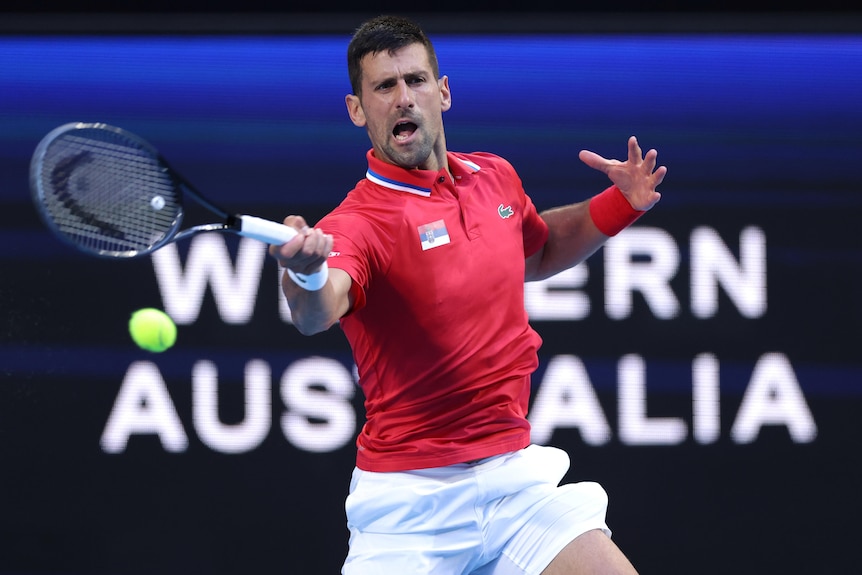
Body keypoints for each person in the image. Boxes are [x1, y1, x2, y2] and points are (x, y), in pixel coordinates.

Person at [269, 14, 666, 575]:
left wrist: (618, 205)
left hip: (515, 482)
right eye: (384, 87)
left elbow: (539, 250)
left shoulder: (495, 177)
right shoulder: (358, 223)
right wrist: (304, 275)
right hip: (410, 506)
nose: (403, 99)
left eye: (416, 81)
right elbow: (316, 313)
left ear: (443, 91)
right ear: (358, 110)